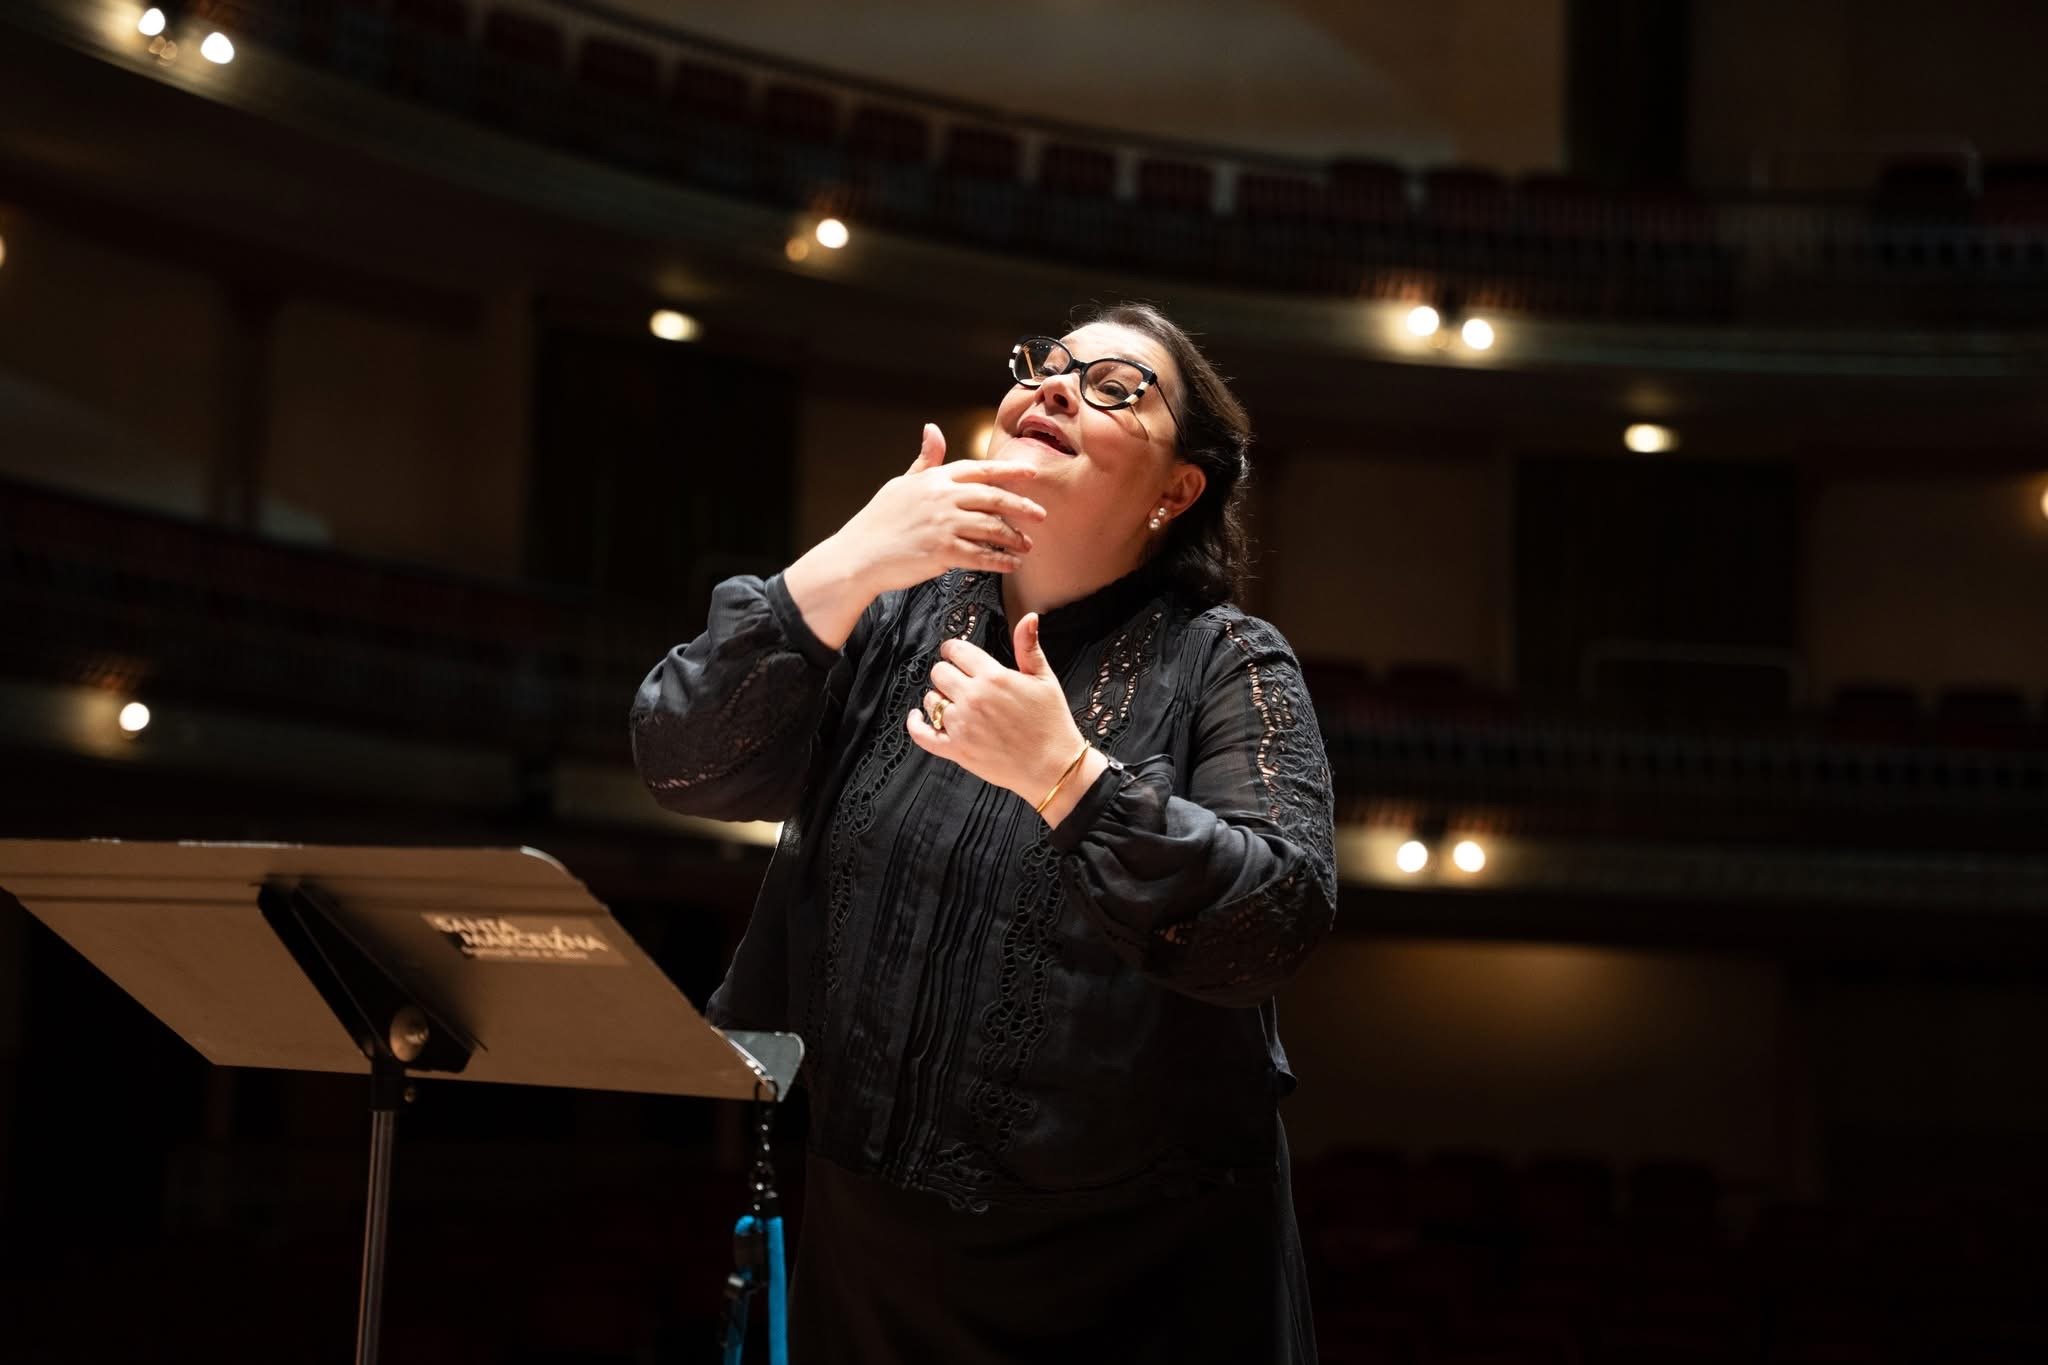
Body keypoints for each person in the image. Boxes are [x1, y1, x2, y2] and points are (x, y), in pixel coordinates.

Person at [631, 302, 1336, 1364]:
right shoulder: (888, 612)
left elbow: (1272, 921)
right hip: (870, 1253)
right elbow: (681, 762)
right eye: (1045, 367)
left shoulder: (1225, 664)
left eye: (1113, 387)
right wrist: (847, 557)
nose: (1054, 386)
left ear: (1177, 491)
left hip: (1131, 1280)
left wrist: (1068, 778)